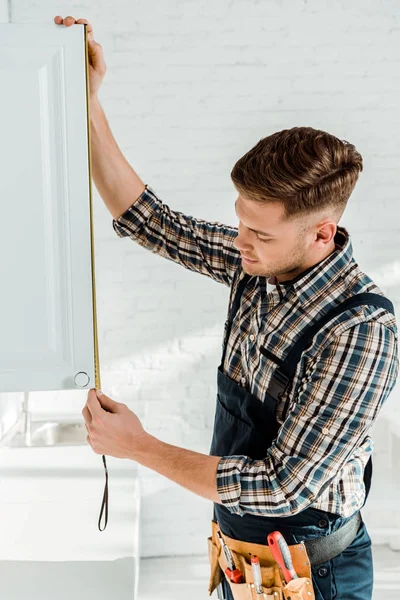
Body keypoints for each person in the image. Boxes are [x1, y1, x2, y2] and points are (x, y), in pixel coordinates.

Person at [54, 16, 399, 600]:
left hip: (314, 578)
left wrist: (138, 446)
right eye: (240, 223)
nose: (241, 243)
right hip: (240, 559)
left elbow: (283, 489)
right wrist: (85, 100)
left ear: (322, 234)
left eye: (259, 235)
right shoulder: (257, 261)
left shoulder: (360, 331)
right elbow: (150, 220)